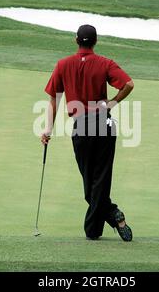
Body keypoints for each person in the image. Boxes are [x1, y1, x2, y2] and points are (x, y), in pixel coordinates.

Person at [41, 24, 134, 241]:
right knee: (98, 181)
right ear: (96, 41)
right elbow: (128, 84)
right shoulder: (105, 63)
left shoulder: (63, 64)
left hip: (81, 126)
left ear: (76, 40)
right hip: (104, 123)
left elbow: (53, 99)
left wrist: (47, 129)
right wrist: (112, 103)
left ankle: (95, 229)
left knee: (90, 183)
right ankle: (114, 215)